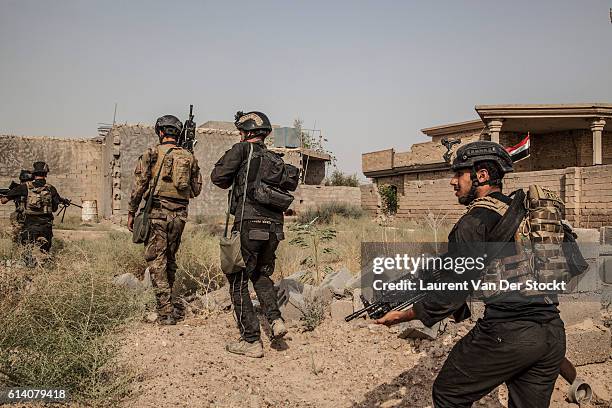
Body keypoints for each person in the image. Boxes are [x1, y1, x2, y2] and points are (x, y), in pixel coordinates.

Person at [375, 141, 566, 408]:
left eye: (459, 174)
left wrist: (403, 315)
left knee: (448, 393)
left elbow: (452, 295)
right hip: (552, 334)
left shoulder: (473, 223)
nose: (453, 182)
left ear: (482, 175)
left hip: (508, 333)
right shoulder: (524, 214)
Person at [211, 111, 290, 358]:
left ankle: (251, 340)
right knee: (260, 273)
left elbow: (218, 178)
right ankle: (275, 320)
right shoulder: (275, 159)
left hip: (248, 224)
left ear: (246, 133)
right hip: (274, 227)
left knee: (237, 279)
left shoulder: (242, 149)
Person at [127, 114, 202, 325]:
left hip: (157, 214)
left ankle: (165, 310)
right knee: (169, 259)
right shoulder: (189, 157)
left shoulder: (150, 153)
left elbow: (139, 187)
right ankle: (167, 304)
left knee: (156, 261)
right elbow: (196, 190)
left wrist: (131, 212)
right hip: (179, 217)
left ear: (160, 132)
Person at [1, 162, 65, 252]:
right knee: (45, 254)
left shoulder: (24, 187)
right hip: (46, 227)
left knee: (27, 254)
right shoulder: (51, 189)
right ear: (46, 174)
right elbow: (54, 209)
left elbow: (4, 201)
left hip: (30, 227)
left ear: (34, 174)